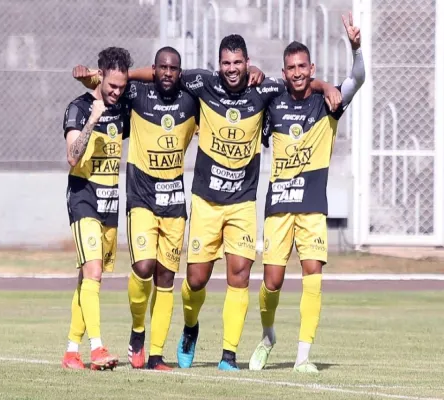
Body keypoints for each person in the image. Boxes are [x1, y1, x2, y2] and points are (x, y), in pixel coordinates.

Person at [129, 34, 341, 371]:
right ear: (219, 65)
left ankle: (229, 354)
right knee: (195, 280)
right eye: (226, 63)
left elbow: (299, 81)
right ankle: (190, 326)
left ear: (247, 63)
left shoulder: (264, 89)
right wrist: (125, 75)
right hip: (206, 201)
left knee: (240, 275)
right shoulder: (202, 83)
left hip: (242, 202)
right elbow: (162, 73)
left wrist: (326, 85)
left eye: (238, 62)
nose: (232, 68)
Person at [248, 12, 365, 373]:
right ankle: (268, 336)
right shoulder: (273, 103)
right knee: (272, 282)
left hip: (312, 206)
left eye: (303, 66)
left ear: (311, 68)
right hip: (278, 207)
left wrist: (356, 48)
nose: (297, 72)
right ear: (284, 72)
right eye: (291, 68)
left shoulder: (328, 104)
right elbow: (249, 86)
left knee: (313, 274)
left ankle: (303, 356)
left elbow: (358, 79)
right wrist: (254, 72)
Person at [72, 46, 199, 370]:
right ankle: (137, 330)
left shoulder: (191, 101)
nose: (167, 73)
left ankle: (155, 355)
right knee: (143, 267)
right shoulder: (136, 95)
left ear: (180, 72)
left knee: (166, 277)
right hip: (140, 198)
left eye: (173, 68)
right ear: (153, 69)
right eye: (161, 67)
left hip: (174, 202)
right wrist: (90, 78)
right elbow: (110, 86)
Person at [61, 47, 133, 370]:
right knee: (94, 273)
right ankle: (98, 348)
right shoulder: (78, 108)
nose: (116, 92)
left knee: (86, 279)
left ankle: (71, 351)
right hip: (83, 198)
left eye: (122, 86)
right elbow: (72, 156)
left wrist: (92, 75)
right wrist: (94, 117)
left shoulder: (123, 107)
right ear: (100, 77)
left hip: (110, 204)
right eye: (112, 85)